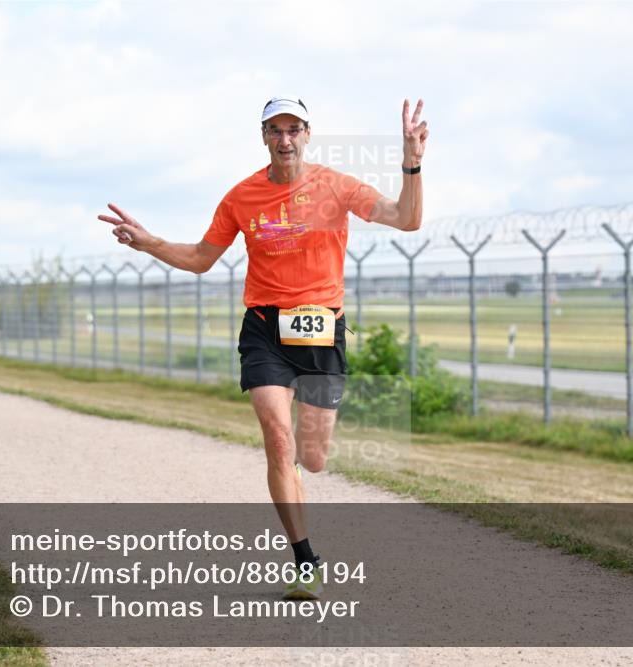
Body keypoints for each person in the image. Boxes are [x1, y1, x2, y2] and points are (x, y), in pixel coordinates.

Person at [99, 96, 428, 600]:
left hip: (322, 332)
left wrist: (412, 161)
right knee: (278, 438)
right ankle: (305, 560)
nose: (285, 139)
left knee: (313, 457)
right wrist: (147, 242)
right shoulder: (241, 197)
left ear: (307, 133)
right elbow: (200, 258)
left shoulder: (337, 186)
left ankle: (295, 473)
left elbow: (406, 219)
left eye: (293, 128)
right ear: (263, 137)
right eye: (275, 130)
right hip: (264, 330)